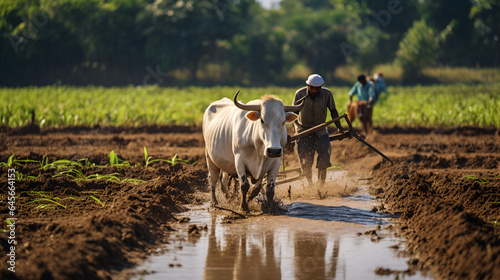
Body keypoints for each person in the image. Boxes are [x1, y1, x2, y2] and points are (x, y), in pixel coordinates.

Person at [293, 74, 344, 186]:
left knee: (324, 160)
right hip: (303, 131)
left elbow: (333, 111)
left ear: (321, 86)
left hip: (321, 131)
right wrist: (297, 129)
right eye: (312, 88)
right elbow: (293, 115)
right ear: (308, 85)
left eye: (317, 88)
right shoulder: (299, 94)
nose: (314, 90)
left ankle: (321, 185)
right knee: (306, 161)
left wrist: (339, 127)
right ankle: (310, 184)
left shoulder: (327, 94)